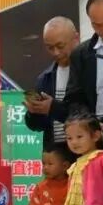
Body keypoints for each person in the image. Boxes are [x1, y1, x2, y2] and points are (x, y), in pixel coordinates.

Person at [25, 17, 81, 149]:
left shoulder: (88, 70)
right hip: (56, 152)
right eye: (50, 48)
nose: (56, 52)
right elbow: (38, 126)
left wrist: (53, 108)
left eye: (60, 46)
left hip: (87, 150)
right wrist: (33, 112)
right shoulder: (45, 78)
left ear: (76, 38)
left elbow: (87, 115)